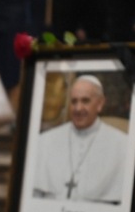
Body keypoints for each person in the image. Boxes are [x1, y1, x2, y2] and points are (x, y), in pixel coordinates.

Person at [32, 75, 127, 205]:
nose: (78, 108)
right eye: (74, 101)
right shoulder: (45, 141)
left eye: (85, 101)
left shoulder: (122, 145)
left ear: (100, 104)